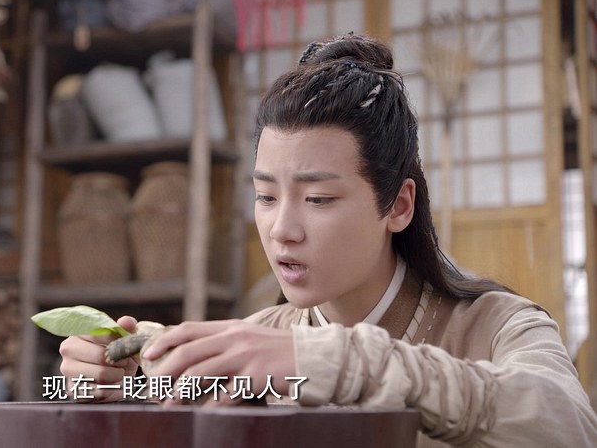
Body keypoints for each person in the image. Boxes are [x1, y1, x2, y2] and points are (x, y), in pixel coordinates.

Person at [58, 33, 597, 447]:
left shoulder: (498, 326)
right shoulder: (258, 339)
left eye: (318, 199)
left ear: (398, 205)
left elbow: (570, 425)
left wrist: (335, 361)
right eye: (266, 197)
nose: (282, 229)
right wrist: (121, 386)